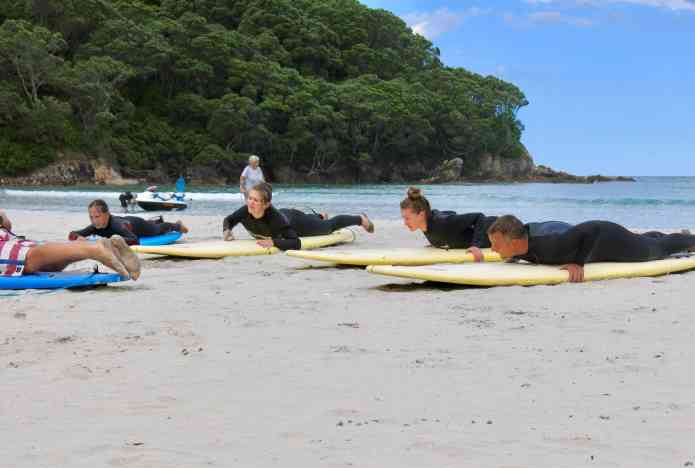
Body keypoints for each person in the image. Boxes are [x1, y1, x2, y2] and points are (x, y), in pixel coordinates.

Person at [487, 215, 695, 283]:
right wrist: (513, 258)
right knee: (647, 240)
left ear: (514, 241)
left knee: (653, 250)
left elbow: (592, 229)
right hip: (599, 248)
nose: (493, 249)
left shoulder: (550, 242)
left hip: (609, 238)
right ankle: (682, 239)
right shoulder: (523, 246)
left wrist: (578, 263)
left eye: (497, 244)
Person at [400, 186, 571, 262]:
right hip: (495, 238)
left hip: (496, 230)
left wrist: (475, 246)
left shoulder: (443, 223)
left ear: (421, 214)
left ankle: (568, 231)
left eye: (407, 218)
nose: (405, 222)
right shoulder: (427, 226)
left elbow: (479, 217)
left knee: (537, 233)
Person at [222, 182, 374, 251]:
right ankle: (319, 215)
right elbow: (229, 219)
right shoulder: (245, 211)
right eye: (249, 198)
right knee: (315, 219)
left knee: (328, 227)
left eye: (256, 200)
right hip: (286, 215)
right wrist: (227, 230)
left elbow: (295, 242)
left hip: (295, 223)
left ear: (266, 204)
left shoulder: (275, 219)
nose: (251, 203)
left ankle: (360, 219)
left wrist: (274, 242)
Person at [1, 209, 140, 279]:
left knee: (28, 259)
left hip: (9, 244)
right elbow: (6, 223)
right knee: (47, 263)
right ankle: (98, 247)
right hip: (15, 240)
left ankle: (94, 250)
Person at [68, 199, 188, 245]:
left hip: (137, 225)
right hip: (127, 221)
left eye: (97, 216)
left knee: (156, 230)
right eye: (91, 217)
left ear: (106, 214)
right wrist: (78, 237)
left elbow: (134, 239)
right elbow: (72, 234)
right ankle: (156, 220)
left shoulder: (115, 226)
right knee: (153, 224)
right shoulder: (95, 226)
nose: (94, 220)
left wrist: (110, 241)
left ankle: (177, 225)